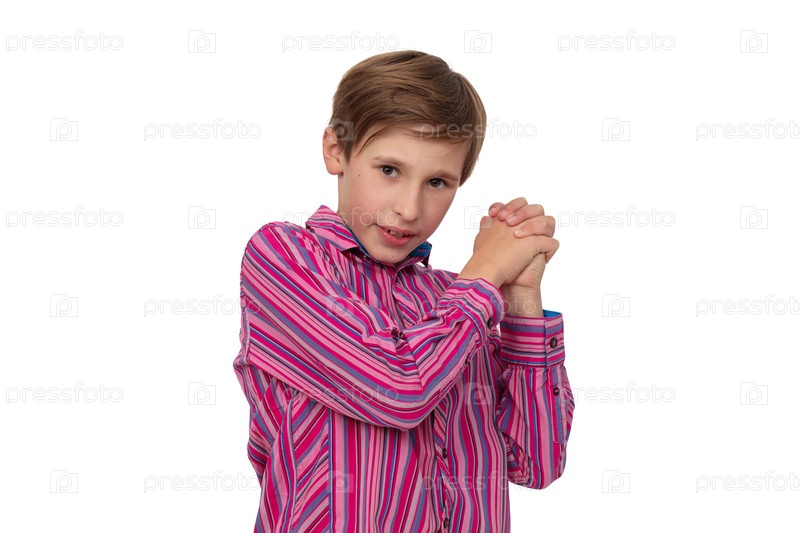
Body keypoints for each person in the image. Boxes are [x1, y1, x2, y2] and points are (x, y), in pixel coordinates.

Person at [233, 49, 574, 532]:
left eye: (437, 181)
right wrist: (484, 274)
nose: (410, 209)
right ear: (336, 150)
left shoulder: (456, 301)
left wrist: (520, 299)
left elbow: (535, 463)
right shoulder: (284, 258)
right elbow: (397, 389)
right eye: (389, 170)